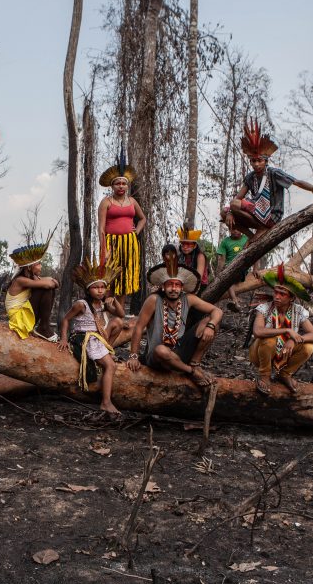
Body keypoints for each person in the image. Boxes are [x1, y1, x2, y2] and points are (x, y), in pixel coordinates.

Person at [223, 120, 313, 240]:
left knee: (233, 205)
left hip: (272, 216)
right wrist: (229, 213)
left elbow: (298, 182)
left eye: (260, 160)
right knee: (224, 213)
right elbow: (238, 199)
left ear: (265, 161)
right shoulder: (250, 177)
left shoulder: (274, 173)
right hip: (256, 213)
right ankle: (252, 236)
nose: (257, 164)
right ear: (250, 162)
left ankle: (263, 228)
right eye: (254, 161)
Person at [127, 258, 222, 390]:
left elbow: (217, 311)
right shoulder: (154, 300)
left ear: (182, 288)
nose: (173, 288)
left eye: (177, 285)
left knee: (210, 322)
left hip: (179, 351)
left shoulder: (188, 299)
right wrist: (133, 356)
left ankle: (195, 364)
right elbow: (138, 328)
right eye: (170, 284)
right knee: (161, 350)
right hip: (157, 357)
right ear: (163, 286)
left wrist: (211, 326)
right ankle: (192, 372)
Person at [59, 258, 123, 415]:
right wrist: (64, 338)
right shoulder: (82, 304)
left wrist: (112, 301)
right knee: (110, 366)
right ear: (88, 290)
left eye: (103, 287)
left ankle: (106, 352)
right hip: (85, 338)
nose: (100, 290)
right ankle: (106, 403)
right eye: (96, 288)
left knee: (118, 323)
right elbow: (66, 319)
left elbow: (121, 314)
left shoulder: (102, 304)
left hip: (98, 336)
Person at [249, 265, 313, 396]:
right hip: (260, 353)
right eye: (275, 292)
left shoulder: (298, 311)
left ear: (291, 298)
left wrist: (293, 339)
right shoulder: (264, 308)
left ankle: (285, 374)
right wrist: (286, 330)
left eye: (282, 294)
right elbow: (257, 332)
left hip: (284, 353)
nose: (277, 296)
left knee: (308, 347)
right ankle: (265, 375)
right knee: (269, 339)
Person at [97, 149, 146, 300]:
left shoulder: (132, 201)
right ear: (112, 186)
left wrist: (136, 232)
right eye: (117, 183)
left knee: (125, 280)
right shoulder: (106, 202)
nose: (121, 186)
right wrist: (104, 248)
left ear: (127, 185)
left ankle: (119, 315)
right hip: (112, 243)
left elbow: (143, 218)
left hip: (130, 243)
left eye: (124, 183)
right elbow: (101, 227)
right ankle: (105, 313)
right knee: (110, 278)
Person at [4, 235, 60, 340]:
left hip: (25, 315)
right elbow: (49, 283)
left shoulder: (32, 278)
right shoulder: (20, 280)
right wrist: (51, 283)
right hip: (18, 319)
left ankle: (43, 326)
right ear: (29, 267)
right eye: (38, 264)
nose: (41, 266)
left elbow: (54, 281)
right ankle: (43, 327)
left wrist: (52, 282)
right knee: (46, 289)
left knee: (47, 289)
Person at [215, 223, 249, 311]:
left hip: (242, 268)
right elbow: (222, 260)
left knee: (229, 277)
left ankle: (235, 301)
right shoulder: (225, 242)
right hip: (229, 269)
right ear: (229, 229)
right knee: (227, 277)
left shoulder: (246, 239)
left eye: (238, 229)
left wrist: (256, 269)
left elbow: (256, 252)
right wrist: (218, 274)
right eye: (233, 229)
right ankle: (235, 301)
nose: (236, 231)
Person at [176, 225, 210, 292]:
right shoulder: (181, 257)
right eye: (183, 244)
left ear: (194, 246)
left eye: (188, 244)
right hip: (184, 284)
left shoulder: (200, 256)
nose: (185, 247)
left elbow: (198, 277)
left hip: (200, 285)